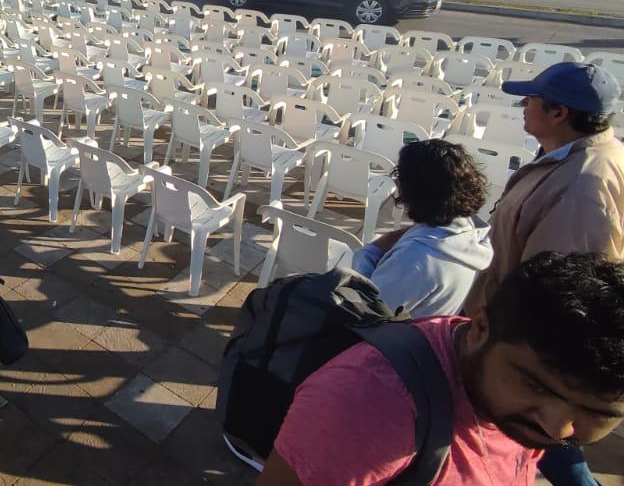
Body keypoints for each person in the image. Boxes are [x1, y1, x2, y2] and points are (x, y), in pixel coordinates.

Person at [257, 251, 624, 486]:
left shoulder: (517, 404)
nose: (557, 427)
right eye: (536, 386)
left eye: (594, 412)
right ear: (480, 328)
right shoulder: (370, 403)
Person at [461, 61, 624, 486]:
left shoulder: (584, 187)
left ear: (559, 113)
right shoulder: (566, 158)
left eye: (531, 99)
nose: (523, 105)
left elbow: (555, 293)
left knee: (544, 437)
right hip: (516, 345)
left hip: (530, 351)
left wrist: (508, 359)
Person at [353, 139, 492, 318]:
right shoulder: (471, 233)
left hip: (388, 341)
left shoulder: (415, 259)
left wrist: (369, 252)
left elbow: (365, 311)